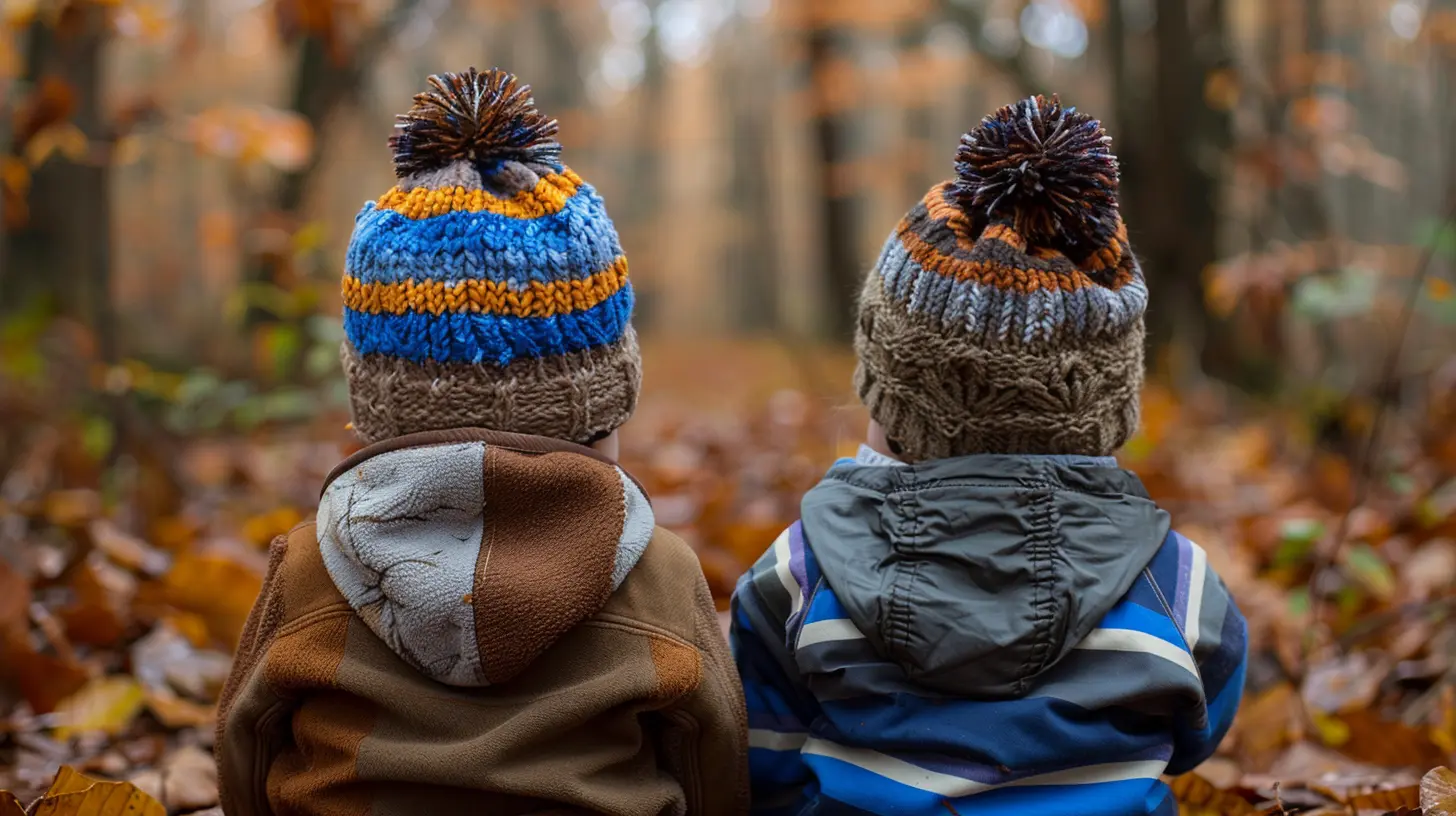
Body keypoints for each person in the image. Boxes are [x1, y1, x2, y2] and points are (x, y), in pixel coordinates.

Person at [215, 67, 748, 816]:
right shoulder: (659, 576)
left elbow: (247, 743)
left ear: (375, 414)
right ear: (602, 419)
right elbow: (711, 759)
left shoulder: (311, 570)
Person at [729, 96, 1248, 816]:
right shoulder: (1177, 585)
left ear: (893, 413)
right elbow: (1200, 728)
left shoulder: (797, 574)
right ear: (1102, 414)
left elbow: (762, 756)